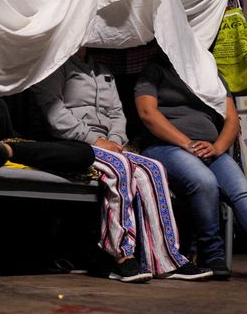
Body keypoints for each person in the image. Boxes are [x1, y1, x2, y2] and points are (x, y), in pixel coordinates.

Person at [32, 47, 212, 283]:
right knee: (120, 167)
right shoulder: (54, 65)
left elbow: (117, 114)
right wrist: (94, 140)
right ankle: (118, 255)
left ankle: (165, 259)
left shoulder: (103, 71)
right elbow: (54, 114)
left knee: (152, 168)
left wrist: (115, 142)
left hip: (109, 145)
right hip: (72, 143)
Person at [134, 54, 247, 287]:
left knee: (243, 192)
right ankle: (212, 253)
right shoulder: (155, 70)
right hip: (166, 146)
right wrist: (187, 143)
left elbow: (232, 120)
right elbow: (147, 113)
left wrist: (217, 147)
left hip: (209, 149)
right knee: (204, 181)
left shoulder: (212, 75)